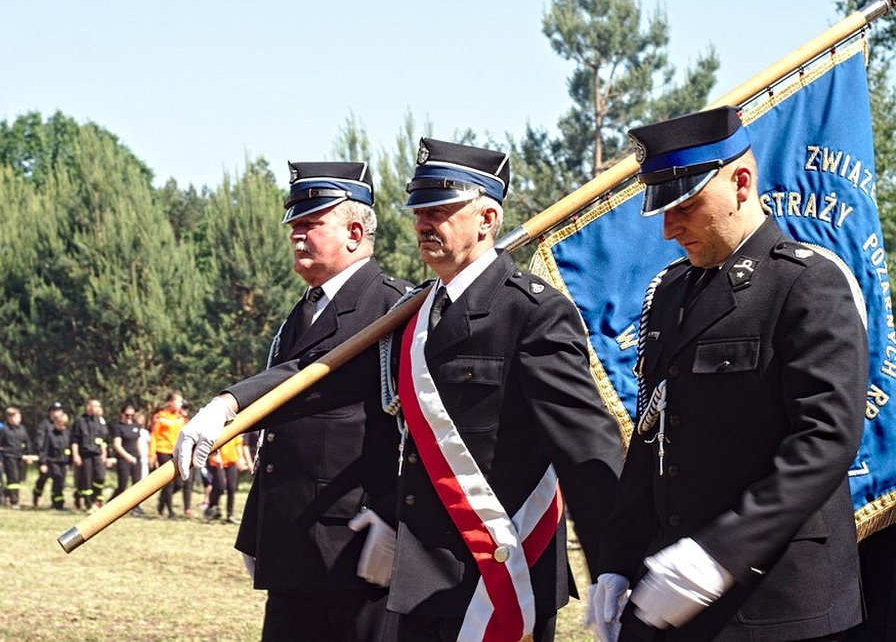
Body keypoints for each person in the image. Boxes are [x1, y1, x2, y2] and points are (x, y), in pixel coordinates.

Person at [588, 106, 867, 640]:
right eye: (663, 210)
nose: (670, 229)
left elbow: (826, 440)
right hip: (670, 585)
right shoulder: (672, 291)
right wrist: (617, 559)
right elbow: (652, 434)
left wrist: (720, 553)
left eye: (686, 207)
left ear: (741, 182)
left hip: (774, 602)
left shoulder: (807, 283)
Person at [377, 138, 623, 642]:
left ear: (487, 218)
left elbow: (585, 446)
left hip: (502, 572)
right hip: (419, 574)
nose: (425, 223)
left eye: (442, 210)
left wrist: (613, 566)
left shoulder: (533, 312)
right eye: (419, 211)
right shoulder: (415, 316)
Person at [175, 161, 411, 642]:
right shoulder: (303, 311)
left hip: (360, 544)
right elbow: (285, 429)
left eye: (310, 224)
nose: (297, 236)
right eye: (294, 226)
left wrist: (396, 519)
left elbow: (418, 431)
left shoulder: (394, 308)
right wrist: (259, 525)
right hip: (294, 544)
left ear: (353, 231)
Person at [149, 390, 190, 517]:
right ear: (170, 402)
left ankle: (162, 501)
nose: (180, 404)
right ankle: (170, 511)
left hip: (176, 451)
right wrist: (152, 454)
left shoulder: (181, 418)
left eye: (180, 401)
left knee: (179, 483)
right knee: (169, 482)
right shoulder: (160, 417)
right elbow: (154, 436)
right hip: (162, 450)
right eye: (177, 401)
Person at [69, 397, 109, 512]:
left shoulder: (100, 421)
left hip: (98, 454)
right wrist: (75, 455)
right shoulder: (79, 421)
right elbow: (74, 441)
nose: (98, 408)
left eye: (99, 406)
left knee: (100, 477)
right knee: (86, 480)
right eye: (95, 406)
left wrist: (104, 454)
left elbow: (104, 439)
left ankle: (95, 499)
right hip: (85, 455)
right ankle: (88, 503)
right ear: (88, 407)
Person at [203, 433, 247, 523]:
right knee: (220, 487)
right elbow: (212, 444)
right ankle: (212, 506)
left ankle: (230, 515)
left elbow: (238, 444)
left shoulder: (234, 428)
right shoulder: (217, 429)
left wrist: (241, 458)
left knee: (231, 487)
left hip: (232, 461)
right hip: (217, 462)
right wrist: (216, 457)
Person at [109, 402, 142, 510]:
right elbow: (117, 445)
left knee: (137, 484)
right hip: (123, 459)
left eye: (132, 415)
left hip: (136, 458)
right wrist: (127, 457)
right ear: (122, 414)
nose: (129, 418)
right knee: (122, 485)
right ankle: (110, 504)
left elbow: (137, 442)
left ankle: (136, 506)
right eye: (127, 415)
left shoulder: (135, 426)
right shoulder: (118, 427)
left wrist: (141, 456)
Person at [0, 406, 31, 508]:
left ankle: (6, 495)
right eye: (15, 418)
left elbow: (27, 442)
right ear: (9, 418)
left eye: (19, 417)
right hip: (9, 457)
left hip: (20, 457)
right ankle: (14, 500)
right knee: (13, 478)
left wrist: (29, 454)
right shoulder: (4, 430)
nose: (18, 420)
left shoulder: (22, 429)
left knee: (19, 478)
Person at [38, 411, 71, 510]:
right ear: (56, 423)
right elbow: (44, 450)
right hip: (52, 462)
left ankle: (57, 502)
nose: (63, 427)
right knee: (57, 479)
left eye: (65, 425)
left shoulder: (67, 434)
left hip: (63, 462)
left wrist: (70, 463)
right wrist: (43, 463)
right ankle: (58, 504)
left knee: (61, 483)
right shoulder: (50, 435)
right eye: (62, 424)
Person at [32, 402, 64, 507]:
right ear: (50, 412)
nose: (57, 413)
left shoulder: (62, 425)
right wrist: (42, 462)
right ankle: (36, 495)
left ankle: (57, 503)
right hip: (46, 458)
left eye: (59, 411)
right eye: (55, 411)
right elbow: (40, 444)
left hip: (58, 460)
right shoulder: (44, 425)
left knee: (58, 481)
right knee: (43, 479)